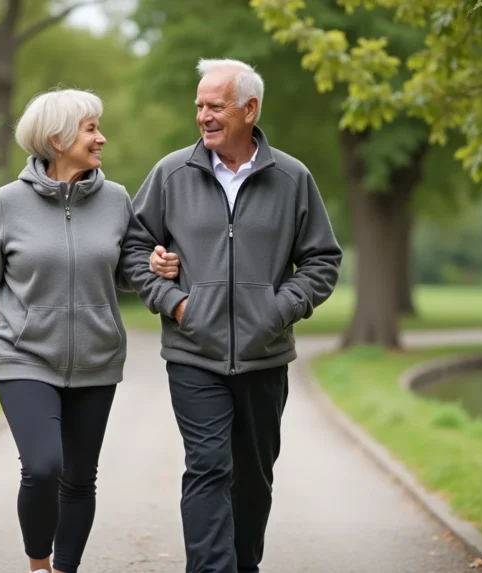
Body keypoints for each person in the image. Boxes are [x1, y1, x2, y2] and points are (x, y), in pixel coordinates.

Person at [0, 88, 178, 573]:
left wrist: (153, 263)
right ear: (57, 138)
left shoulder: (115, 199)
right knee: (43, 467)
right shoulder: (8, 203)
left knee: (80, 479)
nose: (101, 138)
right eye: (91, 129)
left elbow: (125, 272)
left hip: (96, 360)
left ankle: (64, 570)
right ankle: (38, 564)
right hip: (24, 358)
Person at [121, 59, 343, 573]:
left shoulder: (292, 178)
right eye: (199, 105)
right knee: (207, 469)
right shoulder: (171, 174)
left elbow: (322, 260)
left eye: (214, 106)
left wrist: (278, 309)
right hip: (193, 353)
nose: (203, 116)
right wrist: (174, 300)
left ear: (249, 109)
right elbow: (133, 249)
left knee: (253, 478)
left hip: (265, 357)